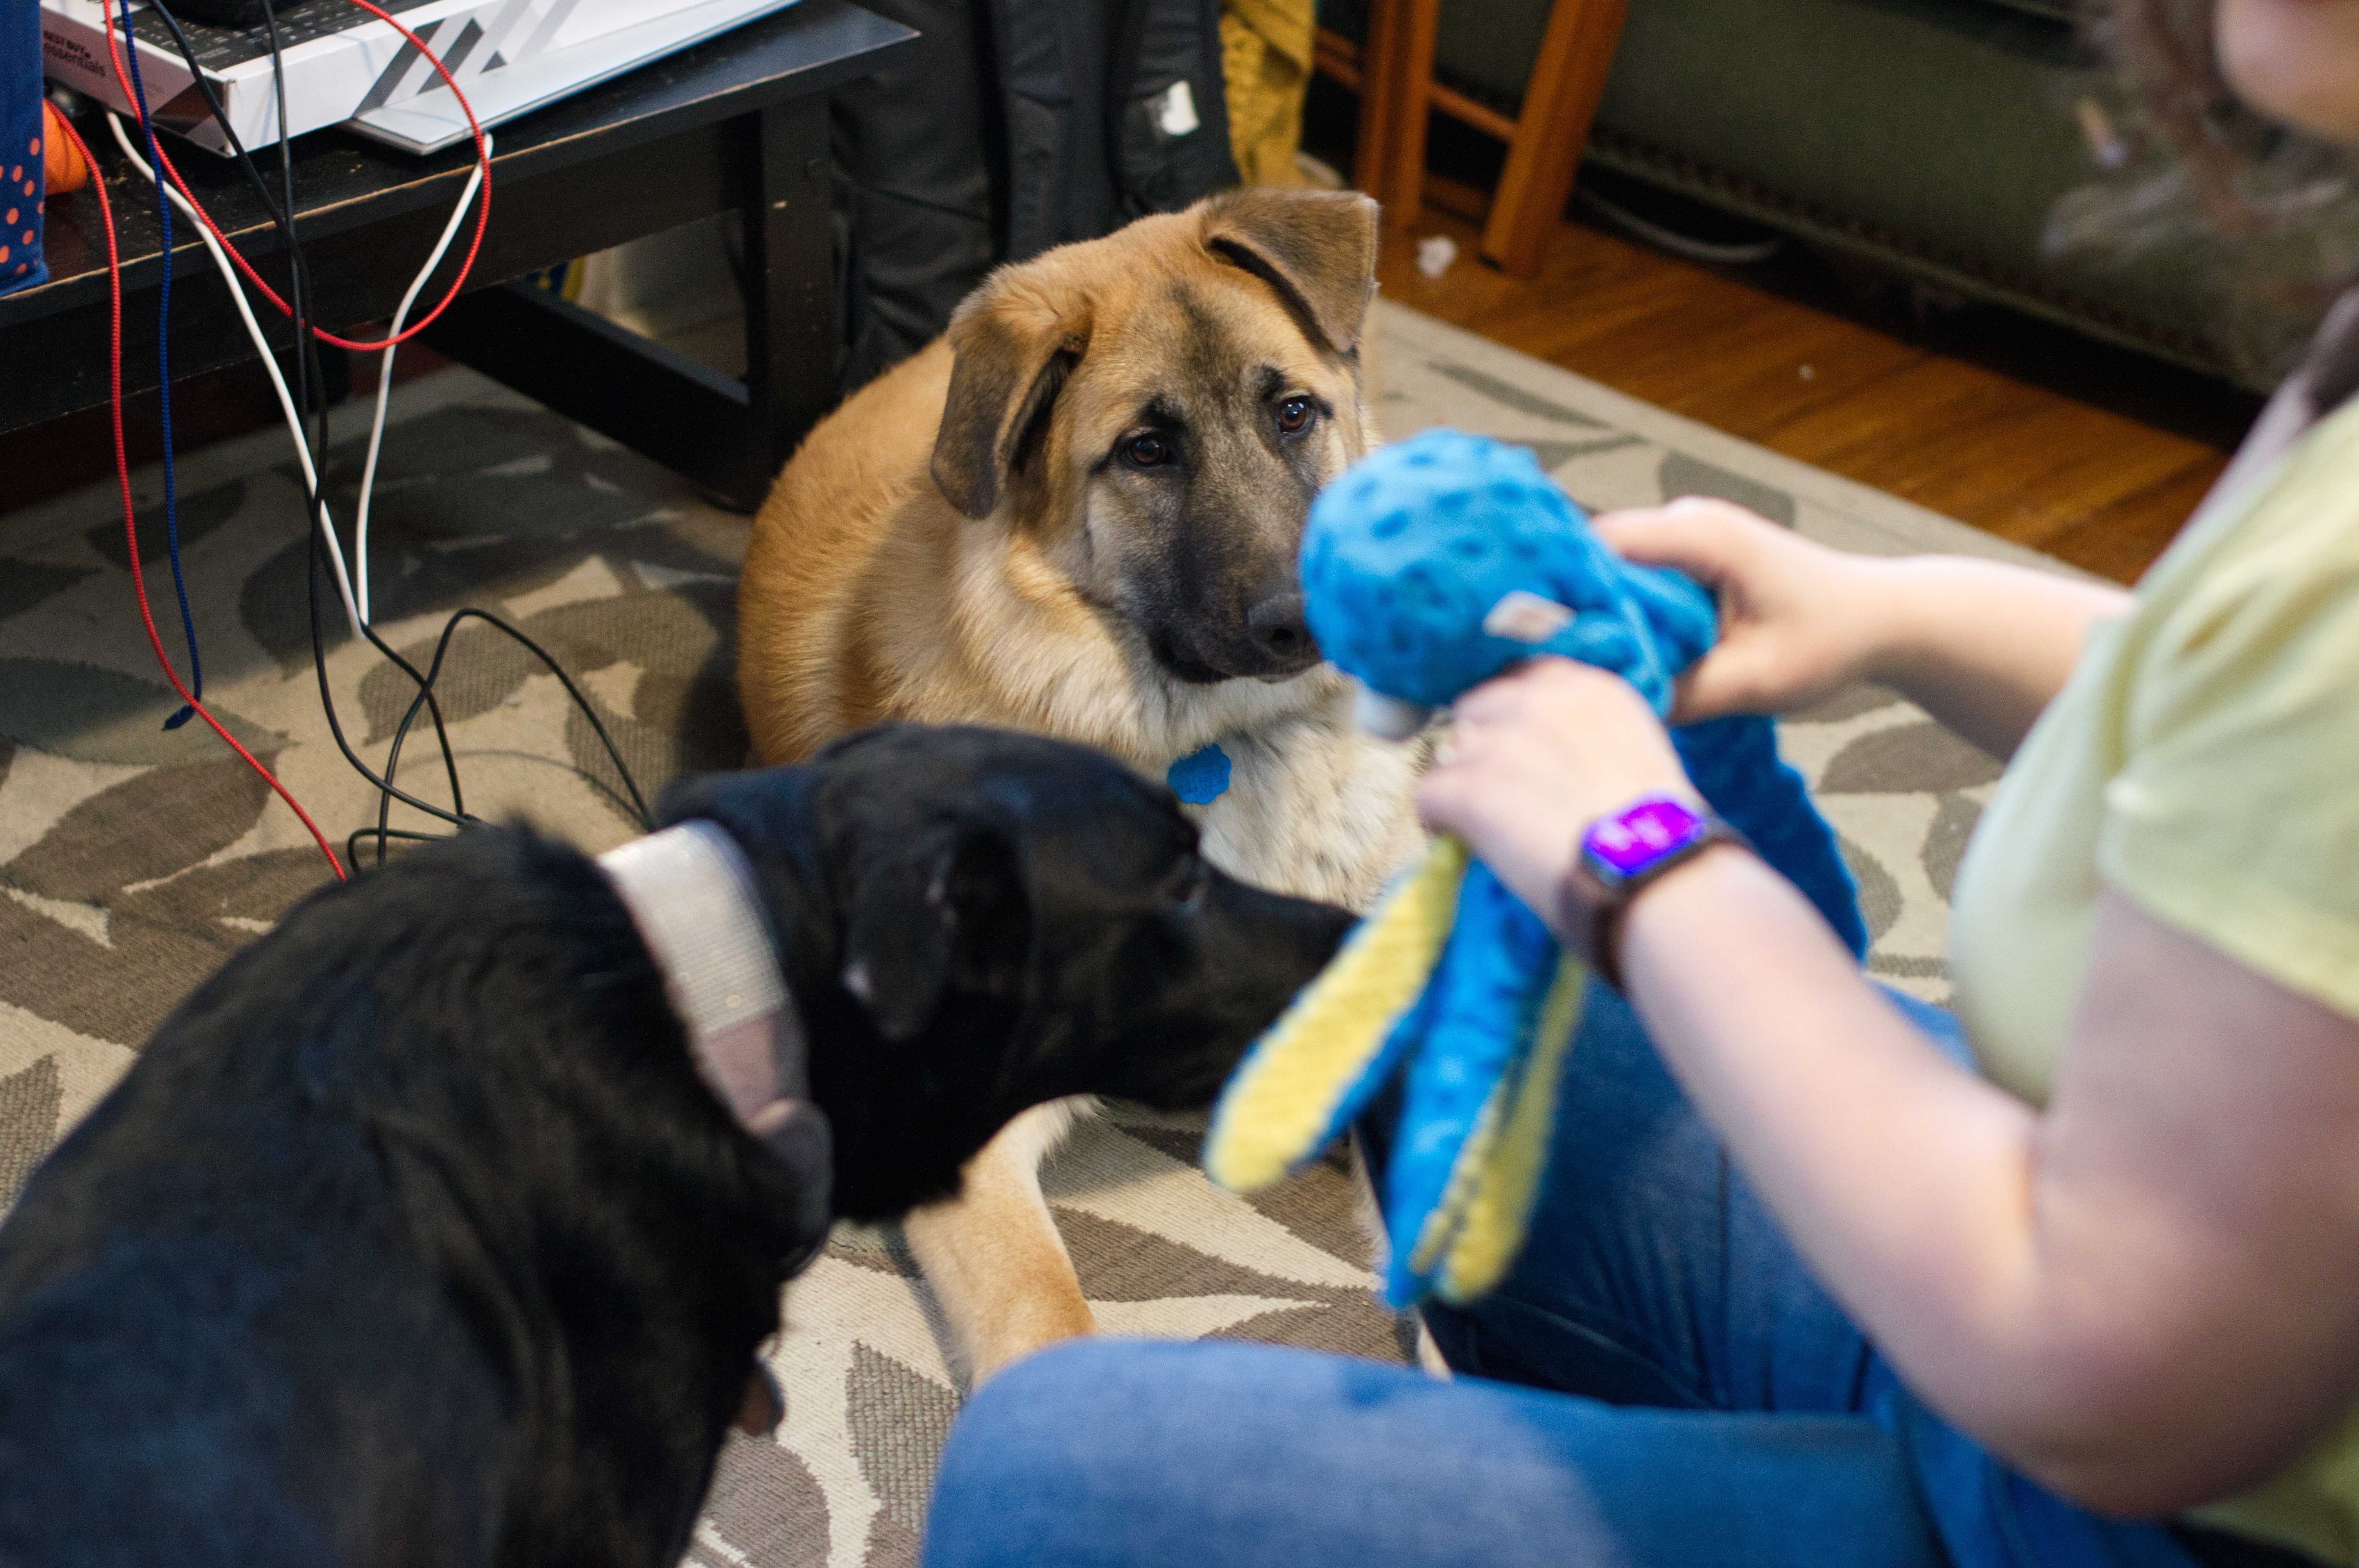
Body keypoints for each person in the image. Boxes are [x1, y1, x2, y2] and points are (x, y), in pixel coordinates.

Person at [914, 2, 2359, 1564]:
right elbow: (2239, 693)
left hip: (2129, 1501)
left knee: (1044, 1475)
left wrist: (1648, 859)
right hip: (2061, 1288)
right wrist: (1899, 613)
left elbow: (2106, 1374)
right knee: (1473, 1001)